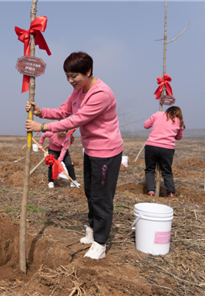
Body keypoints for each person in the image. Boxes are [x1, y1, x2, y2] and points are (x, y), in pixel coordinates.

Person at [25, 51, 123, 260]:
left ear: (88, 71)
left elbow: (75, 120)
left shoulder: (100, 93)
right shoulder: (78, 91)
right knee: (91, 193)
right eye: (67, 76)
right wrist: (41, 111)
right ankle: (92, 230)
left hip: (106, 152)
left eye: (74, 76)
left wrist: (42, 126)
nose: (70, 81)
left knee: (102, 197)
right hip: (91, 150)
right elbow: (63, 111)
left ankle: (100, 243)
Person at [144, 106, 185, 197]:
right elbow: (179, 137)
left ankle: (150, 191)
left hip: (151, 146)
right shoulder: (179, 121)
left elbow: (146, 125)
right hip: (167, 149)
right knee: (167, 171)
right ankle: (171, 193)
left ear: (168, 110)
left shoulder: (158, 114)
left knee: (150, 169)